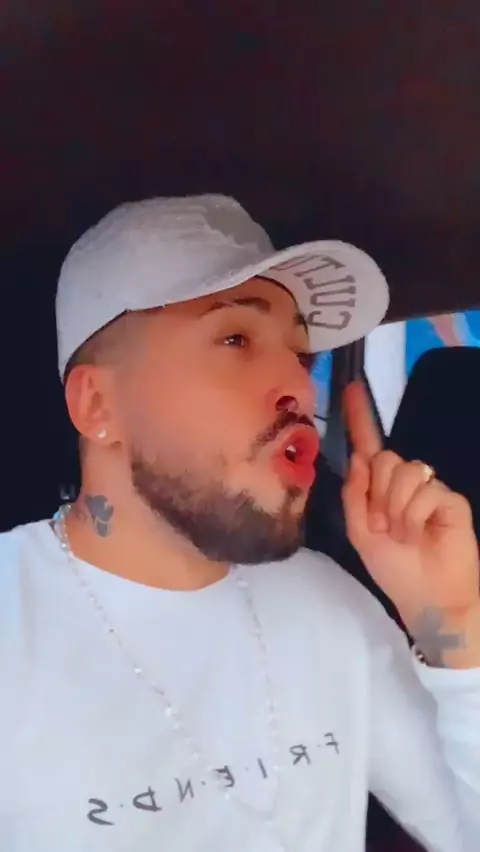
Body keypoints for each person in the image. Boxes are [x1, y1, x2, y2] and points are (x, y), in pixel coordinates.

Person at [1, 195, 479, 852]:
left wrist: (454, 619)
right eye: (235, 340)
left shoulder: (328, 603)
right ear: (98, 404)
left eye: (302, 356)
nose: (298, 389)